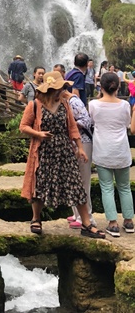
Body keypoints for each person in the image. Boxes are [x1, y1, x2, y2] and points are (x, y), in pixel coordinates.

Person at [20, 71, 105, 238]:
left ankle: (86, 223)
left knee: (76, 184)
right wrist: (38, 134)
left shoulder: (65, 104)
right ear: (50, 89)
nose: (63, 90)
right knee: (40, 185)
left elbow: (72, 128)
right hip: (43, 152)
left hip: (64, 150)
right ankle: (36, 219)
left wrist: (80, 148)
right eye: (60, 87)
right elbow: (23, 126)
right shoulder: (35, 105)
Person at [89, 73, 135, 237]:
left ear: (100, 87)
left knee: (107, 188)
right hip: (121, 150)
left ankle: (113, 224)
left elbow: (91, 123)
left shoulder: (93, 104)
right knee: (124, 188)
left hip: (103, 151)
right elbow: (126, 124)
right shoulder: (124, 105)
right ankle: (129, 221)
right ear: (118, 86)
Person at [63, 89, 95, 229]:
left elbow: (86, 120)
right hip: (73, 144)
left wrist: (70, 125)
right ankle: (77, 214)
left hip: (83, 142)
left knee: (83, 180)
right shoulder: (64, 102)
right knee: (74, 180)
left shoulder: (74, 101)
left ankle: (87, 217)